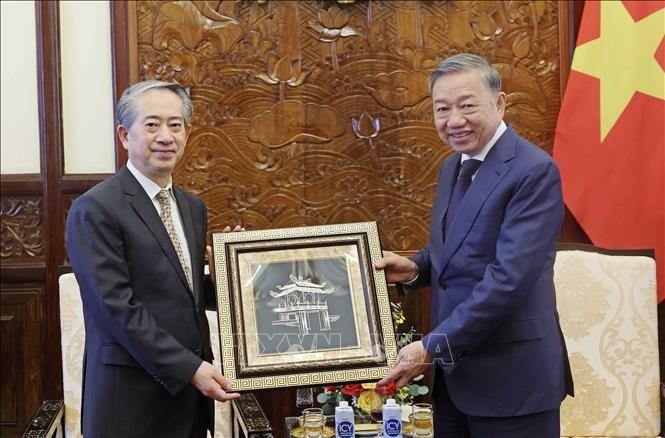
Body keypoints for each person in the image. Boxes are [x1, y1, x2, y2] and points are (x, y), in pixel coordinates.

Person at [376, 54, 574, 437]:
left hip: (512, 382)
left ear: (500, 103)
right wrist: (416, 269)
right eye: (442, 109)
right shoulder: (454, 165)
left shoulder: (534, 171)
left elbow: (508, 280)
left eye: (467, 105)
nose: (454, 120)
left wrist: (430, 347)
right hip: (455, 380)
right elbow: (457, 252)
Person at [65, 80, 241, 438]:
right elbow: (116, 307)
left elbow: (184, 295)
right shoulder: (95, 209)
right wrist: (190, 368)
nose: (166, 136)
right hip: (131, 403)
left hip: (188, 403)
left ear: (187, 133)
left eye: (175, 125)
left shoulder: (192, 207)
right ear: (124, 135)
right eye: (152, 124)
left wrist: (231, 271)